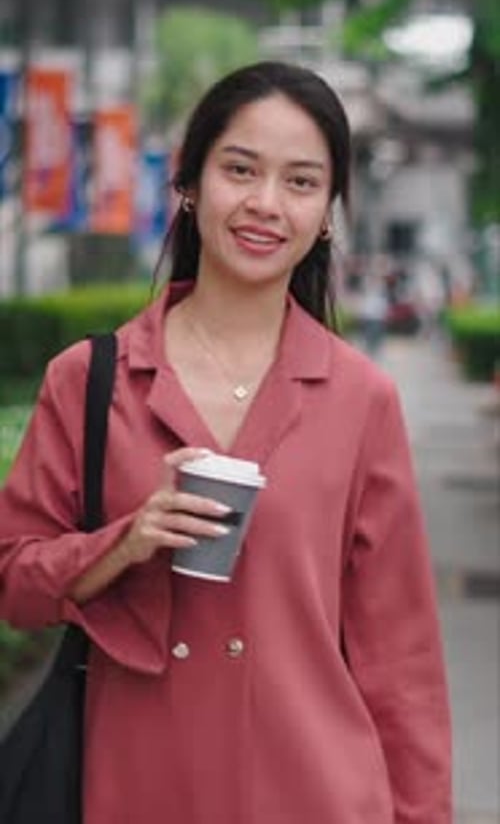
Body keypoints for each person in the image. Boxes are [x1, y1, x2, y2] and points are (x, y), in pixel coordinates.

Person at [0, 61, 451, 823]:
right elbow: (15, 580)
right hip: (137, 788)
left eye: (302, 182)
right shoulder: (90, 379)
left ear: (330, 213)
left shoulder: (361, 399)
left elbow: (400, 663)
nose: (266, 204)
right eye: (240, 170)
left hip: (315, 793)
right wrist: (123, 542)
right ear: (188, 183)